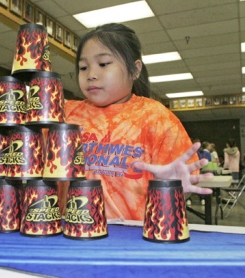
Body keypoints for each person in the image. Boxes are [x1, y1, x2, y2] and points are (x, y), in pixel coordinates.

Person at [58, 23, 212, 221]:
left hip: (133, 238)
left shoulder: (156, 117)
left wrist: (172, 187)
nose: (91, 74)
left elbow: (181, 185)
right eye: (83, 67)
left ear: (135, 69)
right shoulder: (65, 113)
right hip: (68, 233)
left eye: (104, 64)